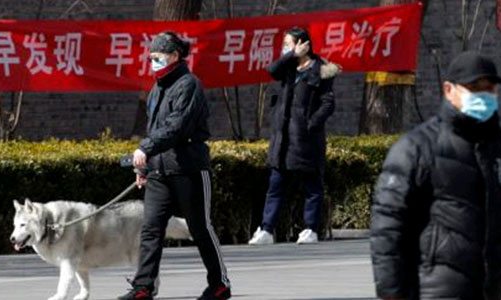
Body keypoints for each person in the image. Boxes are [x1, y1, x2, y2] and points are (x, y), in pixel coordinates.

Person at [370, 51, 501, 300]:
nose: (484, 96)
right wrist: (391, 290)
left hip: (489, 289)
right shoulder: (417, 147)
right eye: (474, 88)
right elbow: (388, 225)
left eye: (489, 89)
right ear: (449, 90)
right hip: (432, 289)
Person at [118, 31, 231, 300]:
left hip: (189, 168)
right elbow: (155, 129)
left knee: (199, 227)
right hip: (159, 171)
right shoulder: (158, 88)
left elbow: (177, 127)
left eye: (157, 58)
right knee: (151, 229)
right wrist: (143, 167)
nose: (153, 63)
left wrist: (145, 148)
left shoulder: (188, 85)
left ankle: (219, 284)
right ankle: (143, 287)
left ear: (174, 55)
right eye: (151, 58)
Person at [248, 27, 340, 245]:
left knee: (312, 186)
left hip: (306, 137)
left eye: (288, 44)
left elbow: (328, 103)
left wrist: (311, 123)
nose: (284, 48)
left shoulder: (322, 68)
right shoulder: (288, 66)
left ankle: (310, 229)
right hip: (283, 138)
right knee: (276, 185)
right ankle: (266, 229)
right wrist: (291, 55)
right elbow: (272, 70)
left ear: (303, 44)